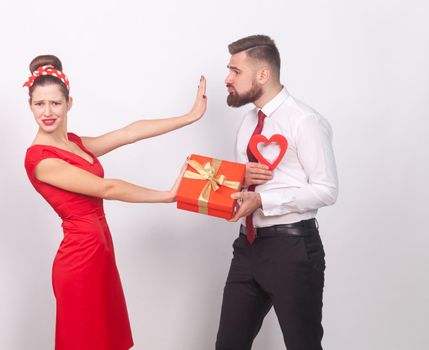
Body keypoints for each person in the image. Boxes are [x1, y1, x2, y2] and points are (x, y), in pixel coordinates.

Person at [23, 55, 206, 350]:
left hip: (100, 251)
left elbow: (128, 133)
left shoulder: (73, 143)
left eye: (55, 103)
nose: (47, 111)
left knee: (107, 342)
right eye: (39, 104)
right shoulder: (39, 159)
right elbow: (106, 188)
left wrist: (189, 116)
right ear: (30, 105)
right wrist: (166, 195)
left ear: (69, 104)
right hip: (79, 260)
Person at [215, 35, 338, 350]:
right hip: (247, 247)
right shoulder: (249, 122)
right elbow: (244, 183)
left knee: (303, 345)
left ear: (262, 75)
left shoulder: (304, 121)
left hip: (293, 249)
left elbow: (326, 190)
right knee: (229, 345)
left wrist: (262, 200)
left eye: (235, 71)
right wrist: (236, 183)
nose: (227, 79)